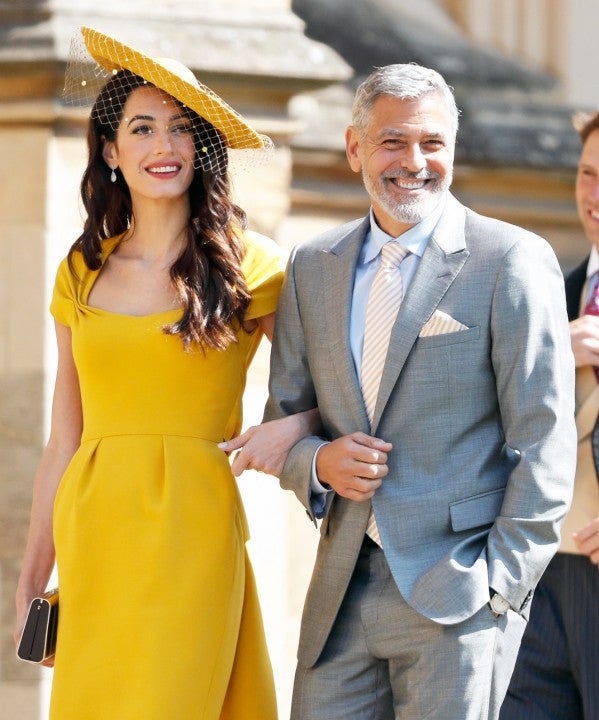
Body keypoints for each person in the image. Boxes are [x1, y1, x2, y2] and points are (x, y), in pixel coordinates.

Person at [250, 63, 577, 719]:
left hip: (460, 595)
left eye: (432, 143)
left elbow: (543, 437)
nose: (415, 162)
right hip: (339, 597)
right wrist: (319, 463)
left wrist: (501, 589)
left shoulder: (509, 258)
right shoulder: (312, 266)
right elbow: (287, 419)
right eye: (392, 142)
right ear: (354, 148)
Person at [13, 26, 317, 720]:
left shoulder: (253, 264)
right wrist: (33, 573)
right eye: (142, 128)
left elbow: (326, 393)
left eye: (181, 129)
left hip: (194, 531)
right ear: (111, 151)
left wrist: (286, 428)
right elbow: (64, 439)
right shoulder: (80, 270)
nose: (164, 146)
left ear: (201, 147)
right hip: (94, 537)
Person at [500, 112, 599, 719]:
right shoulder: (548, 298)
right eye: (588, 173)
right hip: (537, 574)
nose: (595, 195)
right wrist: (551, 354)